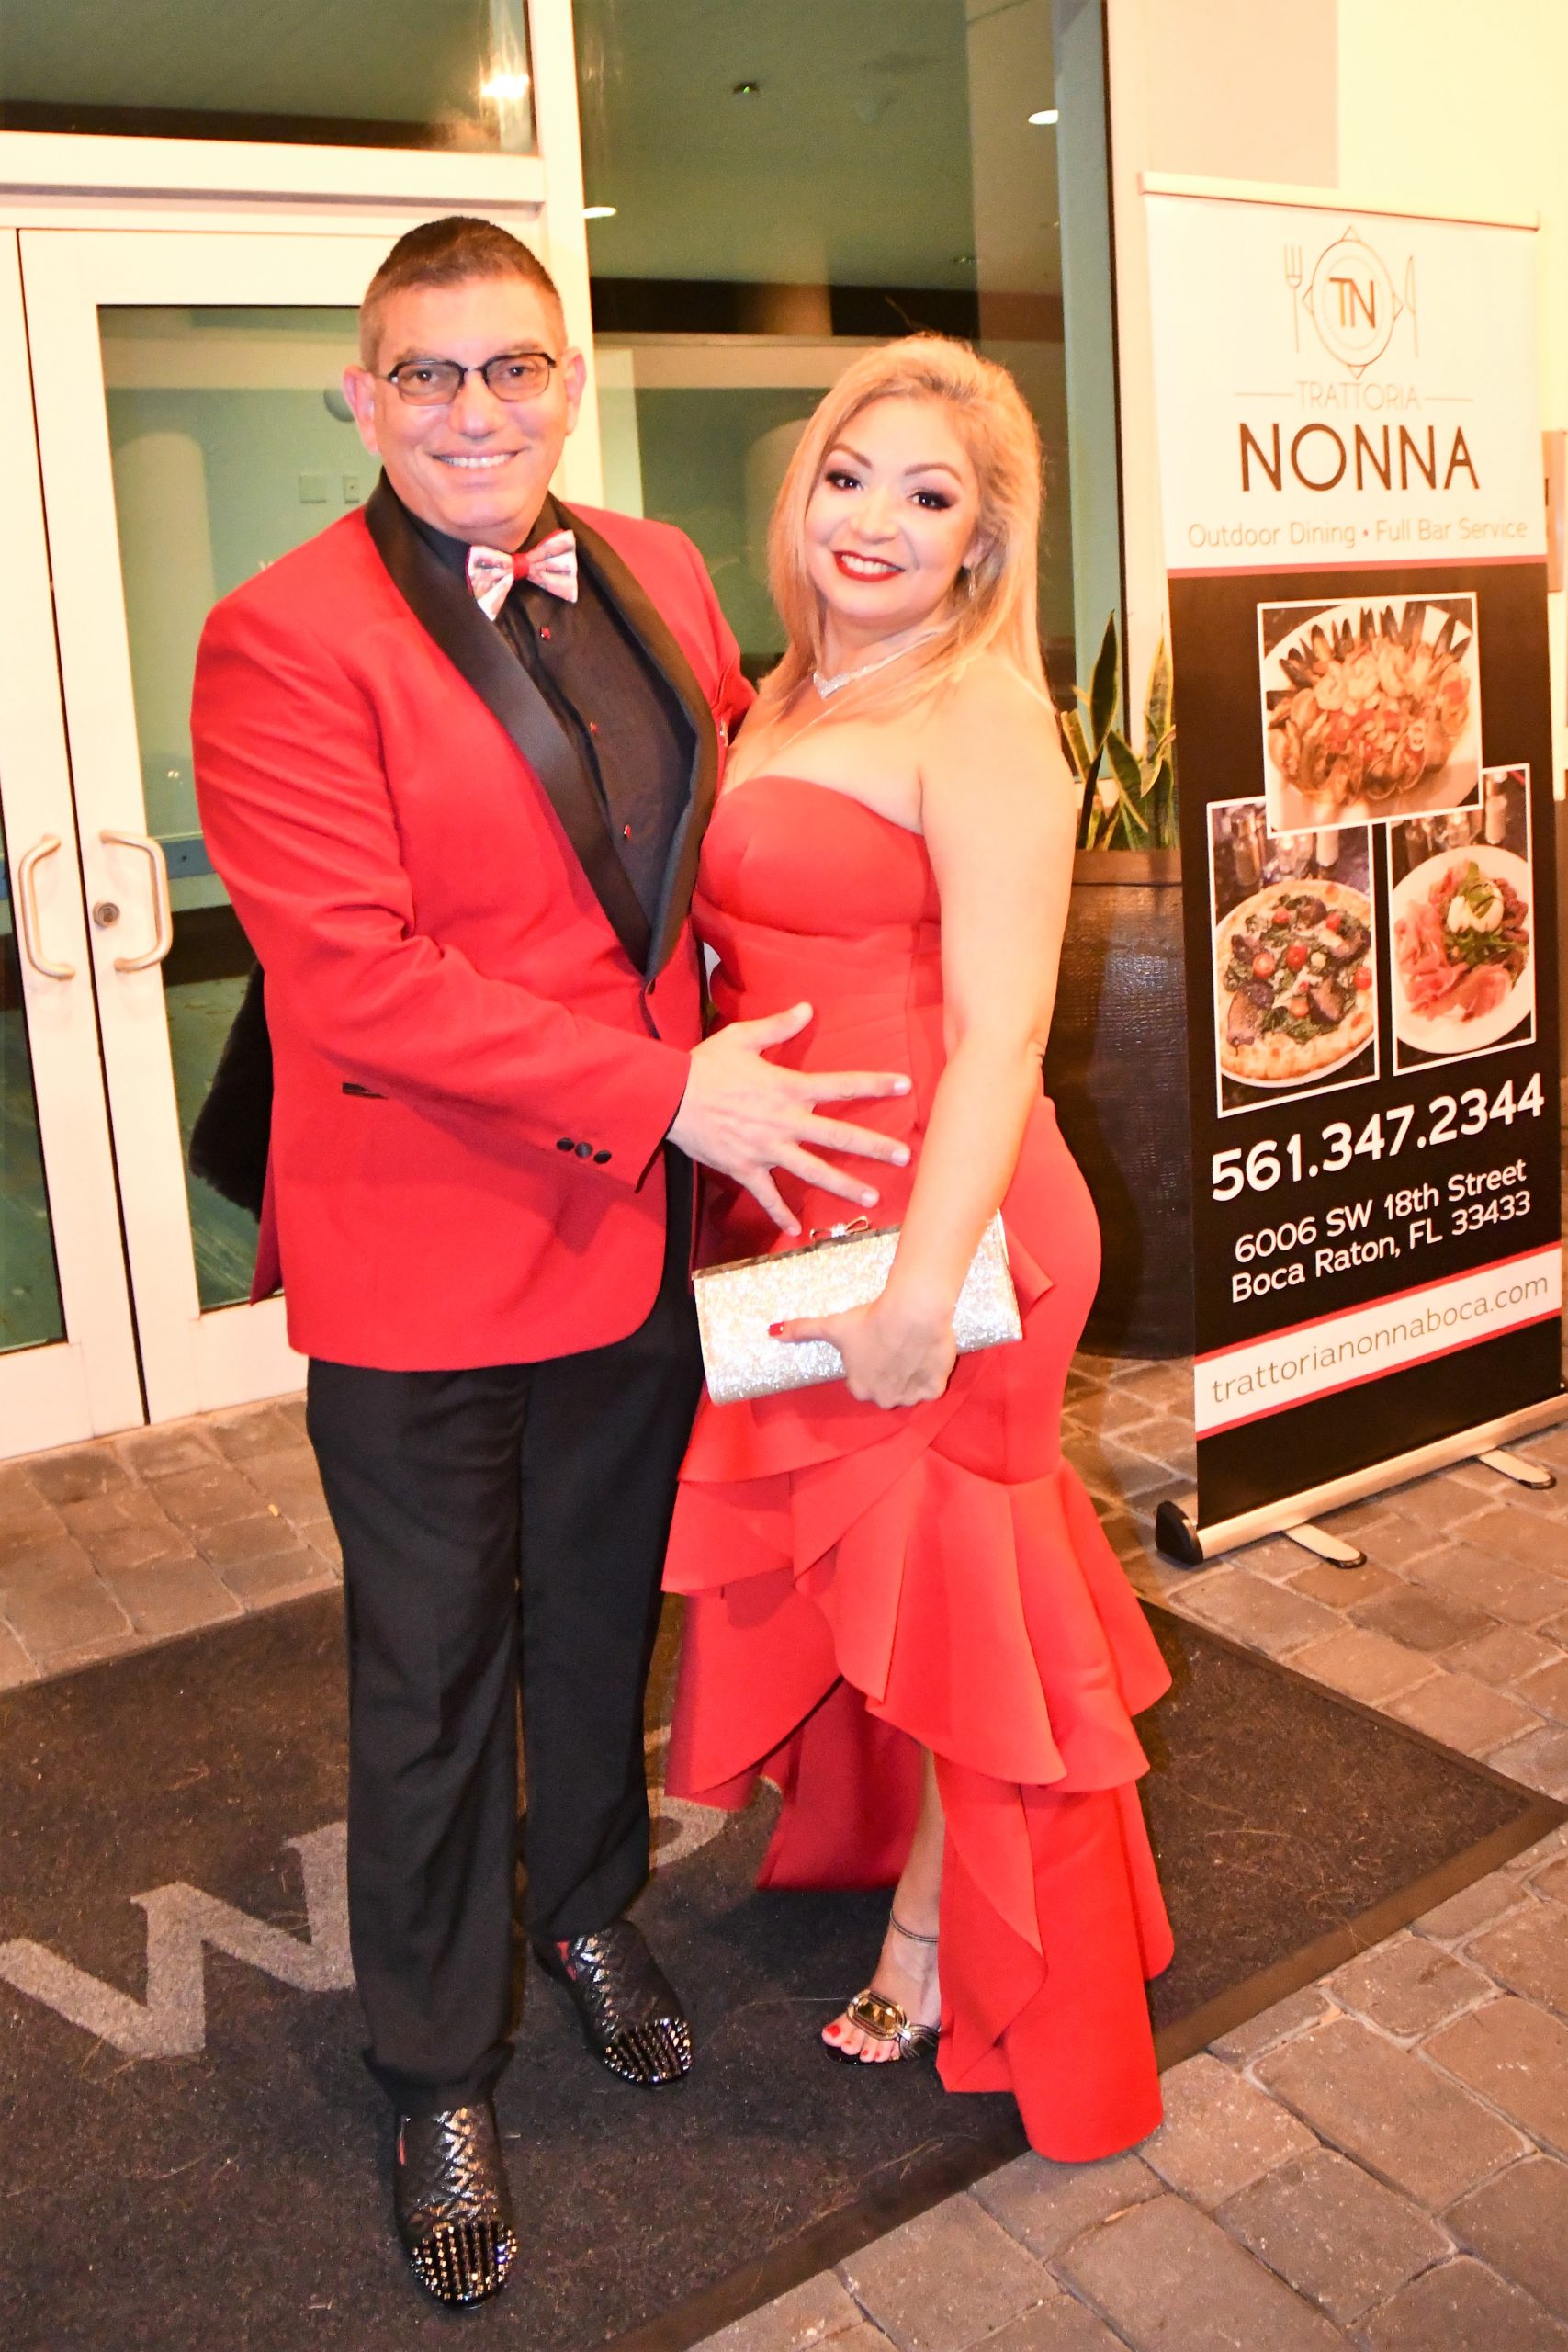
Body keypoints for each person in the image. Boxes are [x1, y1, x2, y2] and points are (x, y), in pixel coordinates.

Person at [190, 217, 911, 2307]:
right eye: (426, 374)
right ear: (361, 395)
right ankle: (433, 2069)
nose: (472, 411)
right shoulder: (280, 636)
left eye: (510, 366)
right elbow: (354, 982)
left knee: (598, 1615)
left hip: (634, 1236)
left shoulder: (661, 567)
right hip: (424, 1250)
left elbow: (712, 852)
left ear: (567, 380)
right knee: (430, 1681)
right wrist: (669, 1093)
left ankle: (588, 1910)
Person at [662, 336, 1174, 2160]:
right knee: (902, 1594)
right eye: (846, 474)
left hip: (950, 1232)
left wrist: (912, 1289)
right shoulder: (785, 691)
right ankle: (903, 1862)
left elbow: (1002, 1034)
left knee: (973, 1615)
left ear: (984, 541)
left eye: (927, 493)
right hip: (799, 1219)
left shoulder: (984, 720)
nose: (873, 518)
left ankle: (944, 1939)